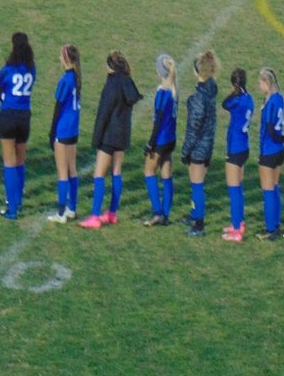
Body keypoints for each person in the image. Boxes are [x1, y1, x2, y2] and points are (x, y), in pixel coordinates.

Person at [79, 51, 142, 228]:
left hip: (109, 135)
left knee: (98, 174)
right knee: (116, 172)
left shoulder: (112, 84)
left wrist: (96, 138)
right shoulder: (128, 82)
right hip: (123, 135)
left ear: (110, 66)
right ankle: (112, 213)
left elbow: (103, 113)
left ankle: (94, 216)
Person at [0, 32, 36, 219]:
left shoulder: (7, 70)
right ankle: (18, 201)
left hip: (8, 115)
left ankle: (11, 207)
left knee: (9, 162)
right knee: (20, 160)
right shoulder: (31, 69)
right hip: (24, 116)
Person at [180, 51, 218, 237]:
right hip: (208, 142)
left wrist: (186, 150)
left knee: (197, 184)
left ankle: (199, 224)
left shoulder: (198, 98)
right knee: (197, 182)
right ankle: (195, 213)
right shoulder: (211, 89)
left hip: (199, 146)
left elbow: (193, 128)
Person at [48, 45, 82, 223]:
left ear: (67, 59)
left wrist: (52, 131)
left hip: (63, 129)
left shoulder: (65, 80)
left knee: (62, 172)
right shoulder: (77, 78)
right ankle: (72, 208)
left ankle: (61, 213)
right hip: (74, 129)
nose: (60, 60)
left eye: (61, 57)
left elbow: (58, 107)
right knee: (72, 170)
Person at [142, 54, 177, 226]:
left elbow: (159, 120)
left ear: (159, 72)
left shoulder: (163, 93)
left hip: (161, 139)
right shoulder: (174, 90)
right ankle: (166, 214)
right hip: (171, 139)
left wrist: (151, 143)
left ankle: (157, 212)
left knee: (149, 171)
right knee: (166, 174)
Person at [221, 68, 254, 242]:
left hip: (234, 147)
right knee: (239, 188)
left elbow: (224, 103)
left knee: (233, 189)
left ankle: (236, 229)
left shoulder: (237, 101)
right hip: (244, 146)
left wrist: (234, 91)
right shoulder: (249, 99)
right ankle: (239, 223)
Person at [255, 68, 284, 240]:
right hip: (279, 151)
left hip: (268, 150)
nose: (260, 86)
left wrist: (277, 138)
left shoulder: (270, 102)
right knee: (275, 188)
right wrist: (282, 139)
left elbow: (268, 127)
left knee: (268, 191)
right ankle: (276, 224)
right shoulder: (280, 98)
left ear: (267, 83)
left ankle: (270, 228)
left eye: (261, 83)